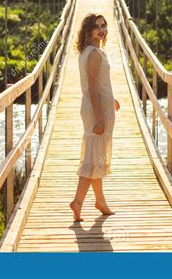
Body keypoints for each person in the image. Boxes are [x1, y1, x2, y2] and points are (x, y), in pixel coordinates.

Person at [69, 13, 120, 222]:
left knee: (96, 155)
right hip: (96, 110)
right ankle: (78, 202)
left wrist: (112, 98)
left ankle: (100, 201)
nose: (102, 29)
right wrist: (99, 117)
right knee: (92, 157)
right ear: (88, 30)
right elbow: (92, 88)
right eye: (96, 26)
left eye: (104, 25)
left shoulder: (90, 52)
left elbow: (99, 84)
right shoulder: (95, 55)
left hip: (100, 106)